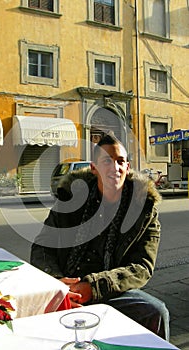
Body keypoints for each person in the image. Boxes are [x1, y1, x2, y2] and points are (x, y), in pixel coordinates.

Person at [30, 133, 170, 340]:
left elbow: (142, 267)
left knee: (155, 311)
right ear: (94, 168)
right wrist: (58, 283)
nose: (115, 167)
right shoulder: (70, 202)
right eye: (107, 161)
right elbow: (42, 246)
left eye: (120, 161)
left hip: (109, 292)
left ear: (128, 167)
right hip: (64, 287)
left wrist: (94, 287)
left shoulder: (144, 211)